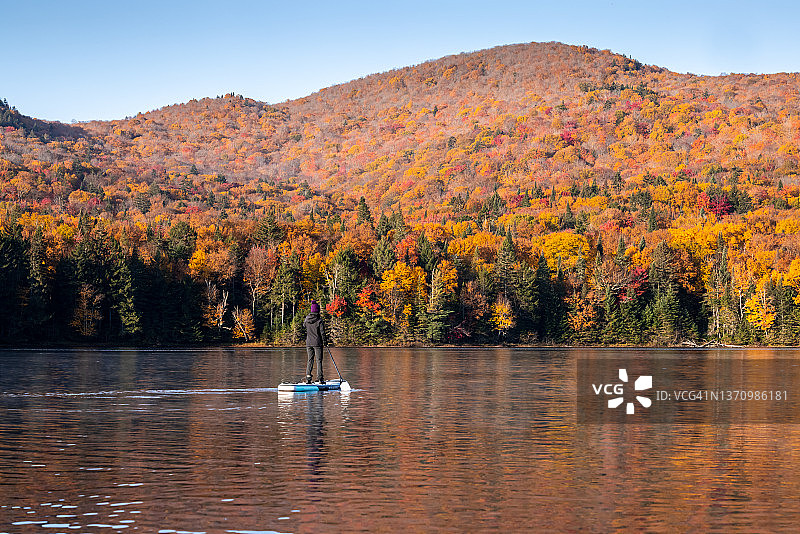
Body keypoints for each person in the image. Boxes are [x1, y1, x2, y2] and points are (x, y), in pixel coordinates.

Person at [303, 300, 327, 384]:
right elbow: (322, 332)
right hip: (317, 343)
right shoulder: (319, 320)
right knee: (319, 360)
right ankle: (320, 378)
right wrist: (325, 342)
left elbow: (304, 325)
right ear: (318, 310)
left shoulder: (307, 319)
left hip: (309, 343)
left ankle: (308, 378)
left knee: (310, 360)